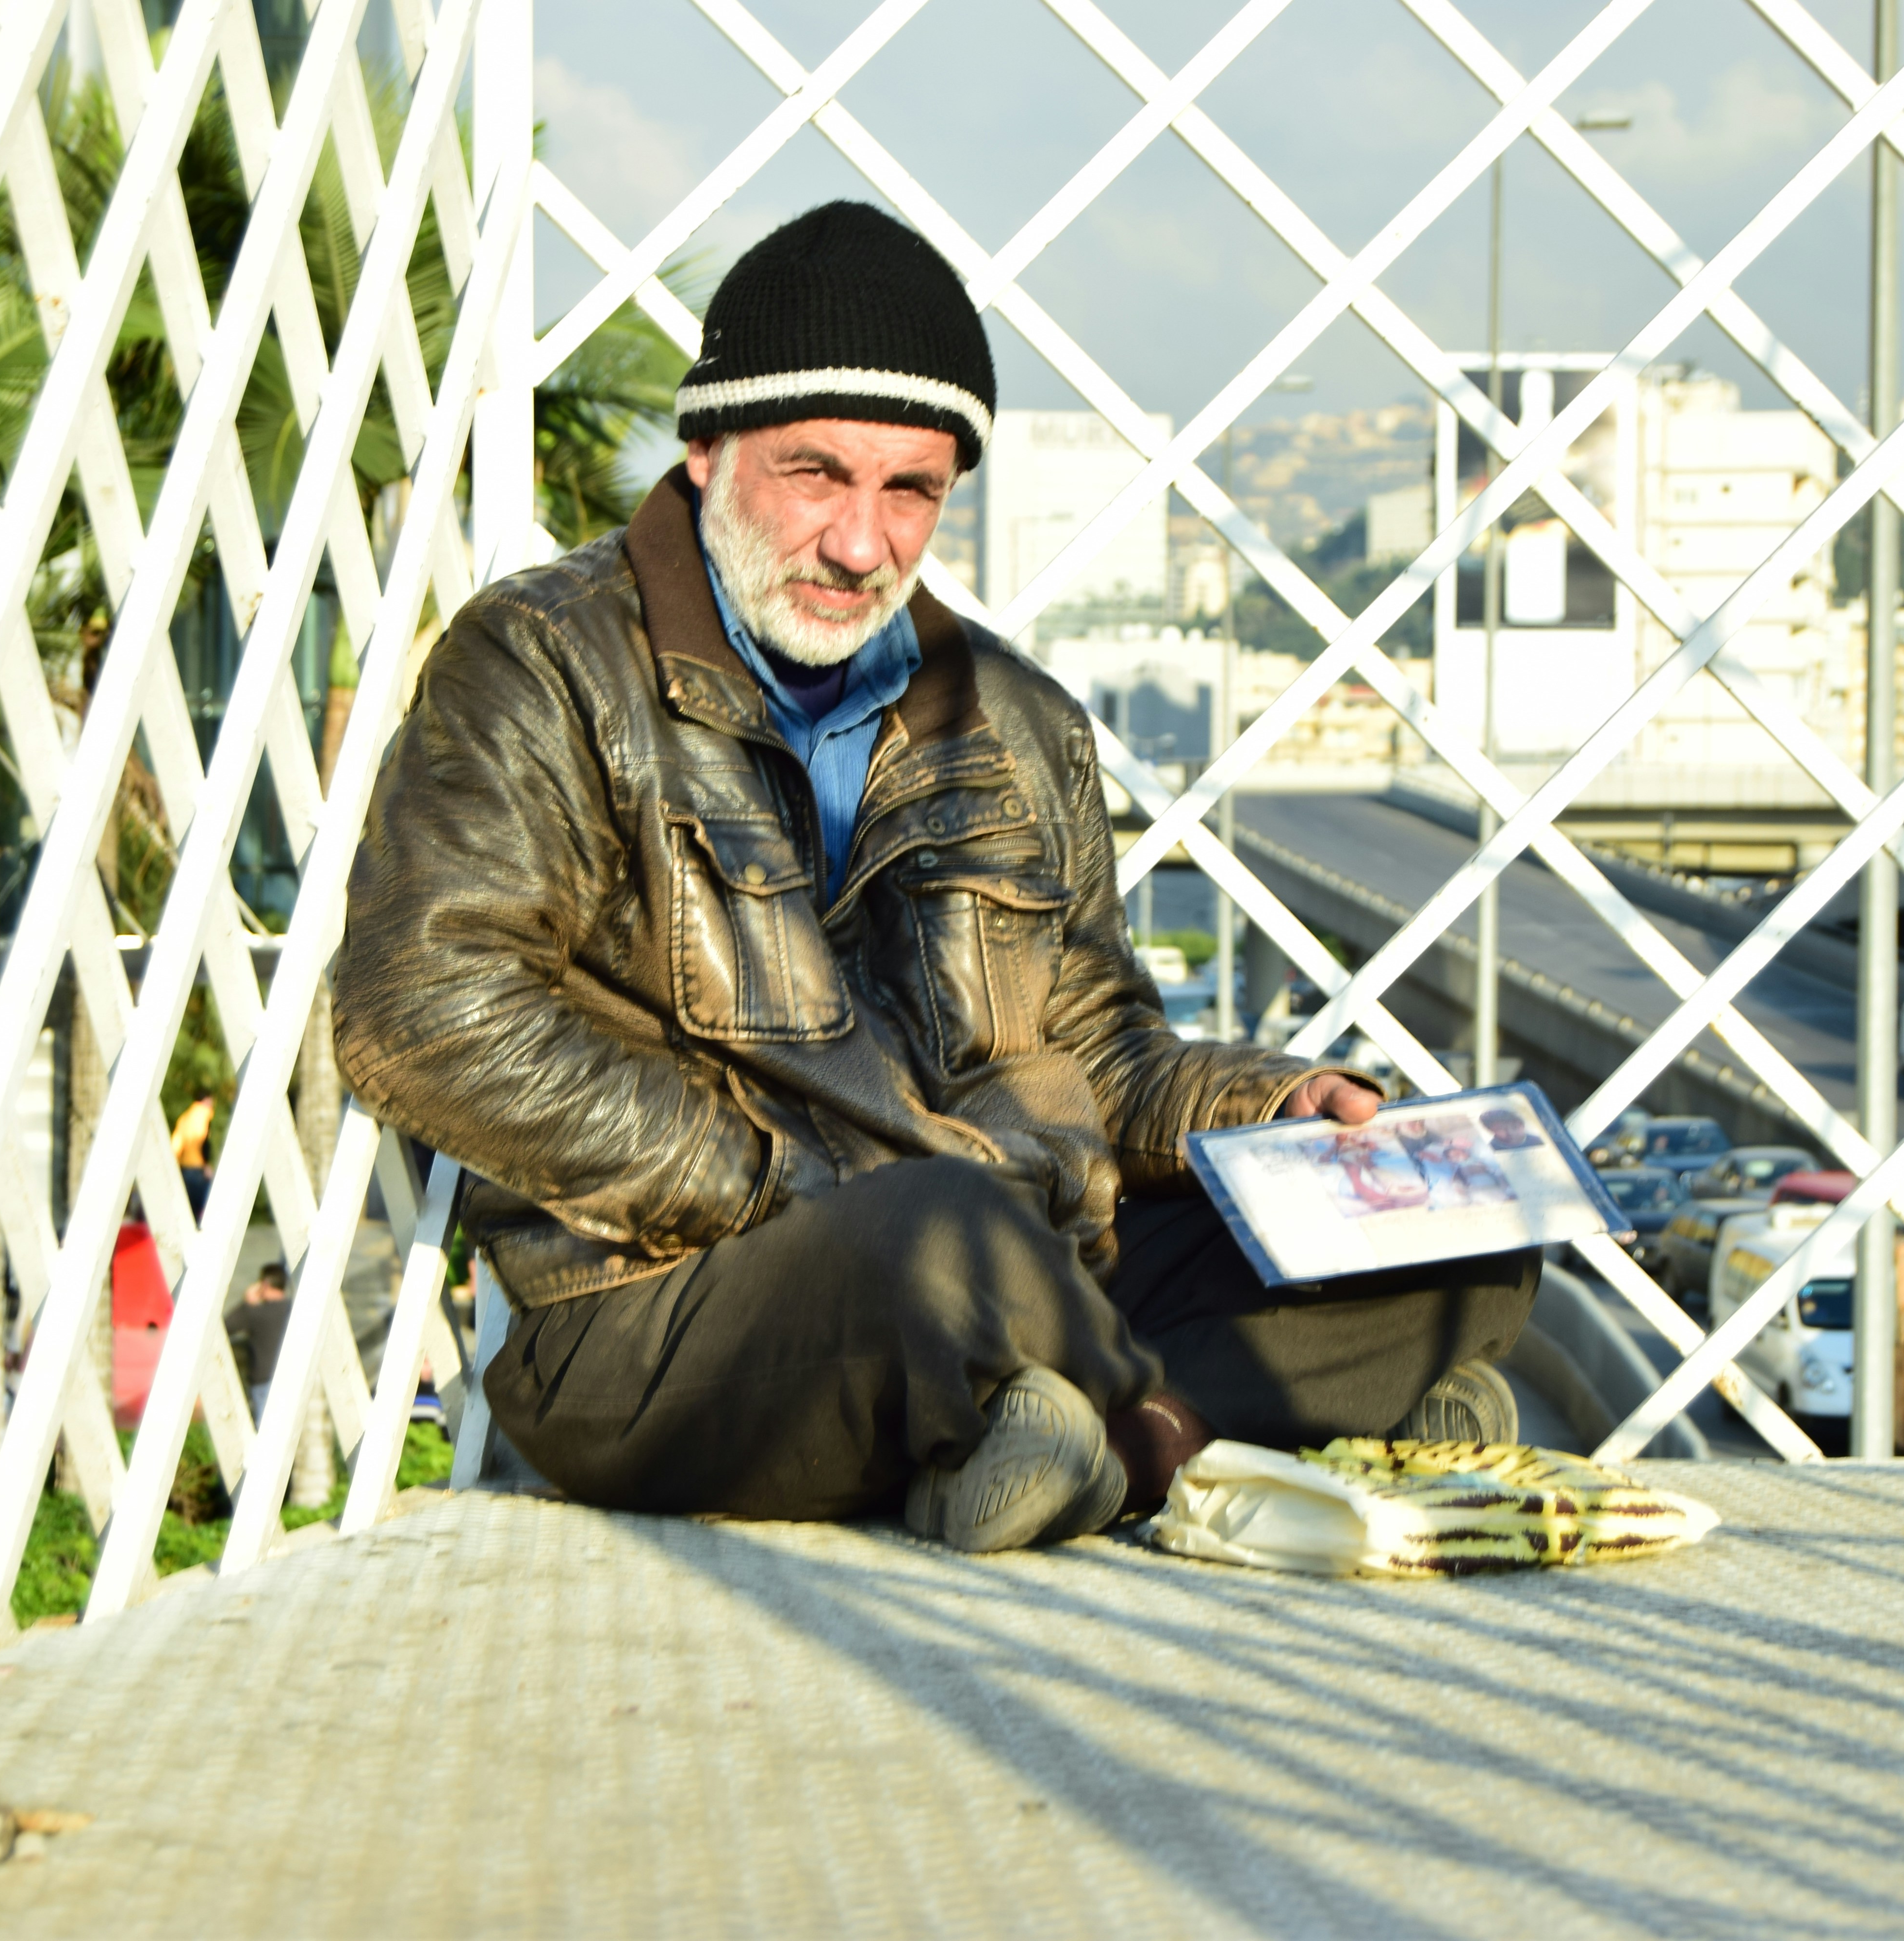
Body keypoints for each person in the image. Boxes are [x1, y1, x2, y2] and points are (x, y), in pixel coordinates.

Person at [333, 201, 1534, 1553]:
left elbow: (1097, 1048)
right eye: (816, 476)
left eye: (911, 491)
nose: (862, 543)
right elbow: (425, 1011)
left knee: (1457, 1230)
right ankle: (1220, 1434)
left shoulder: (1013, 723)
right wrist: (780, 1180)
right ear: (707, 451)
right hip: (680, 1295)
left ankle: (1088, 1442)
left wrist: (1284, 1109)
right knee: (942, 1243)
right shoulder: (545, 667)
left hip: (1016, 1257)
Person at [225, 1261, 293, 1412]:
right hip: (291, 1379)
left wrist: (247, 1303)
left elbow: (226, 1327)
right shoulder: (292, 1309)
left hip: (264, 1382)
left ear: (265, 1285)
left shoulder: (256, 1313)